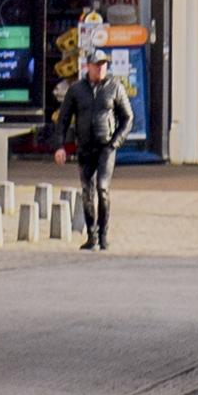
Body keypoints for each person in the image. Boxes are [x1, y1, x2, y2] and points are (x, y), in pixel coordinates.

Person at [57, 55, 127, 249]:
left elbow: (127, 118)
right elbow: (63, 119)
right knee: (87, 192)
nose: (101, 69)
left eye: (104, 65)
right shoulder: (76, 89)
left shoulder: (115, 88)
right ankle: (92, 236)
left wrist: (116, 141)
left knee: (102, 189)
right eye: (97, 66)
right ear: (88, 66)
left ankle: (103, 235)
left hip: (106, 146)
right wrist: (60, 146)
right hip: (85, 146)